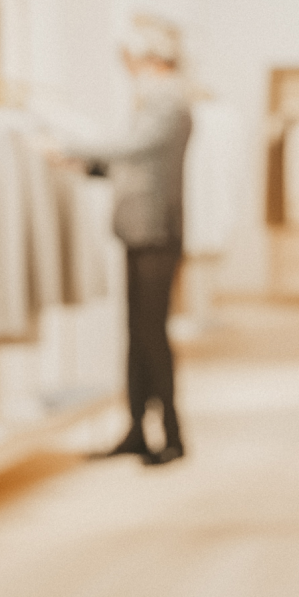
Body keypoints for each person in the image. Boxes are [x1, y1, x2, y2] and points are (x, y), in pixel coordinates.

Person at [71, 28, 192, 464]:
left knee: (152, 333)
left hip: (157, 232)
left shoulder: (169, 102)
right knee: (136, 332)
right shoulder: (150, 105)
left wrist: (72, 145)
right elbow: (135, 167)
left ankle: (173, 435)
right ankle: (138, 426)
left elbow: (134, 150)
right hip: (138, 232)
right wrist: (88, 164)